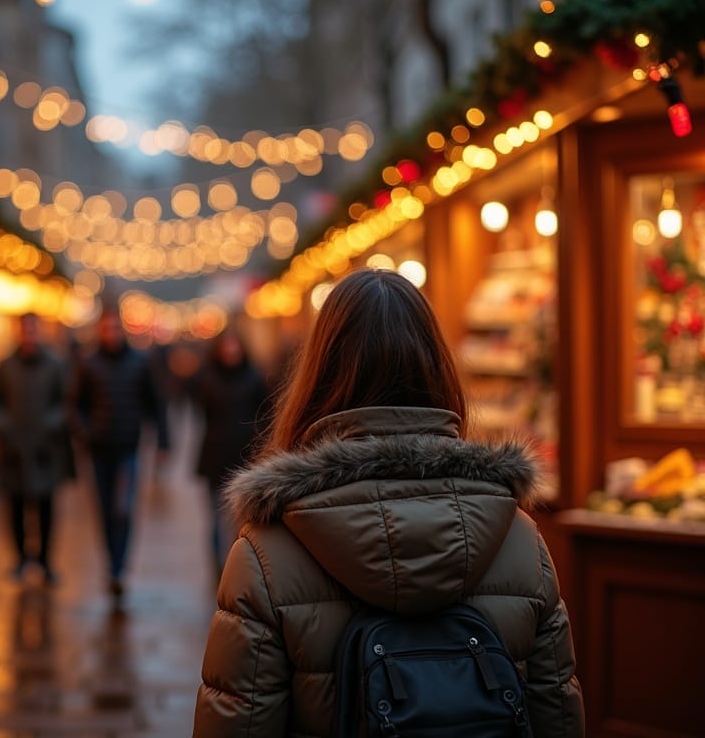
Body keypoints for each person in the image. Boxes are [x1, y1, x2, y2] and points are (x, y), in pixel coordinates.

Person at [192, 268, 584, 737]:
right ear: (439, 369)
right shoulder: (519, 539)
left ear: (320, 374)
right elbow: (557, 715)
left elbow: (240, 721)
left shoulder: (266, 553)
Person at [70, 306, 169, 599]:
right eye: (106, 329)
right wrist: (85, 432)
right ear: (100, 331)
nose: (111, 334)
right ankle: (112, 564)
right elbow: (75, 405)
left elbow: (155, 403)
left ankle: (120, 567)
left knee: (122, 509)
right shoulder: (88, 364)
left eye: (115, 328)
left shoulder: (140, 362)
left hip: (129, 449)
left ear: (122, 330)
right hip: (98, 451)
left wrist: (163, 441)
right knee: (103, 510)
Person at [0, 312, 72, 585]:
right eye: (25, 330)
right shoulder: (5, 366)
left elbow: (65, 401)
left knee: (46, 507)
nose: (29, 335)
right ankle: (21, 558)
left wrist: (51, 423)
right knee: (15, 506)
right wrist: (5, 426)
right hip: (14, 448)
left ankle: (45, 561)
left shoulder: (54, 365)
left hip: (44, 449)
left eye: (33, 330)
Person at [193, 327, 269, 577]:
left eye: (234, 345)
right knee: (215, 516)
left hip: (245, 456)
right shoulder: (207, 378)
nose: (230, 350)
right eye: (226, 346)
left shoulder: (254, 378)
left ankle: (239, 562)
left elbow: (265, 415)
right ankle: (218, 565)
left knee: (241, 518)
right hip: (215, 455)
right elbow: (202, 412)